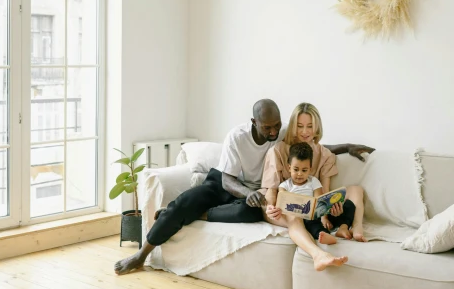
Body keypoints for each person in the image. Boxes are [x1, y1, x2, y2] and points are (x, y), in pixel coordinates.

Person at [114, 99, 372, 275]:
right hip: (223, 182)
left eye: (276, 125)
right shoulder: (237, 137)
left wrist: (347, 147)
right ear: (254, 122)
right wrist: (250, 194)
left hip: (252, 193)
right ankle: (142, 255)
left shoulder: (280, 134)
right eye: (267, 126)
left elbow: (312, 145)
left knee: (248, 214)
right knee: (186, 202)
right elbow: (227, 180)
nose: (273, 131)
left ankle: (191, 215)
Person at [261, 102, 369, 243]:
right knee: (295, 216)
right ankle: (317, 252)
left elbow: (324, 191)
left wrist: (329, 209)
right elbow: (272, 190)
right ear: (293, 126)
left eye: (310, 126)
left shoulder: (325, 155)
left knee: (356, 190)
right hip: (284, 209)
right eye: (300, 126)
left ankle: (356, 226)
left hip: (312, 209)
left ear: (317, 127)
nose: (305, 132)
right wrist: (270, 207)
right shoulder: (277, 151)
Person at [276, 142, 358, 246]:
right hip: (302, 218)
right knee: (312, 223)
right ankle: (323, 234)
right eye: (296, 169)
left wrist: (325, 217)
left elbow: (319, 200)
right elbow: (282, 201)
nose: (300, 173)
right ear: (289, 168)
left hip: (318, 214)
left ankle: (343, 227)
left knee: (349, 205)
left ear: (310, 169)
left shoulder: (313, 181)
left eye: (304, 170)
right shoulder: (285, 185)